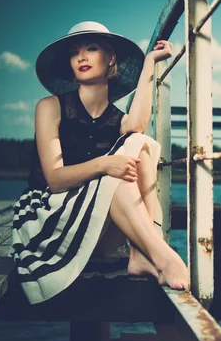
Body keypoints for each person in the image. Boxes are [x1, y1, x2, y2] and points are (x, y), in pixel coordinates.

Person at [11, 21, 189, 305]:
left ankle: (142, 253)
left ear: (110, 59)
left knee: (141, 145)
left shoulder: (117, 120)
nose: (81, 56)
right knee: (118, 165)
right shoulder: (50, 107)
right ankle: (162, 254)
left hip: (92, 227)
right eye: (74, 52)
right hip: (48, 219)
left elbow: (138, 126)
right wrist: (105, 165)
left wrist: (149, 66)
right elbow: (54, 180)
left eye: (91, 49)